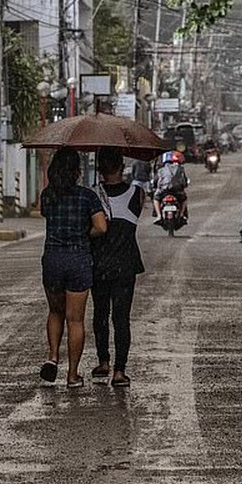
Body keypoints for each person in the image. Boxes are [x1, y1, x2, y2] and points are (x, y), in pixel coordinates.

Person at [39, 147, 108, 389]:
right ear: (77, 170)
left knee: (55, 312)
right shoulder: (87, 197)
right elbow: (101, 227)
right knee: (75, 320)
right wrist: (83, 233)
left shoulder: (47, 195)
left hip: (53, 259)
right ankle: (72, 375)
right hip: (78, 259)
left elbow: (47, 216)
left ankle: (53, 356)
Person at [90, 147, 145, 388]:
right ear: (122, 167)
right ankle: (120, 371)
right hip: (125, 264)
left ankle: (103, 362)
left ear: (100, 168)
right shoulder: (137, 193)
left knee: (100, 315)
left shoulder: (91, 195)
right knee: (121, 318)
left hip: (98, 264)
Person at [151, 150, 189, 222]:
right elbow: (184, 181)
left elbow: (155, 181)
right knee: (184, 199)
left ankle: (159, 216)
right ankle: (181, 215)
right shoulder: (180, 168)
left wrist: (155, 186)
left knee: (156, 199)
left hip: (163, 191)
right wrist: (183, 185)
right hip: (177, 190)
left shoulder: (160, 170)